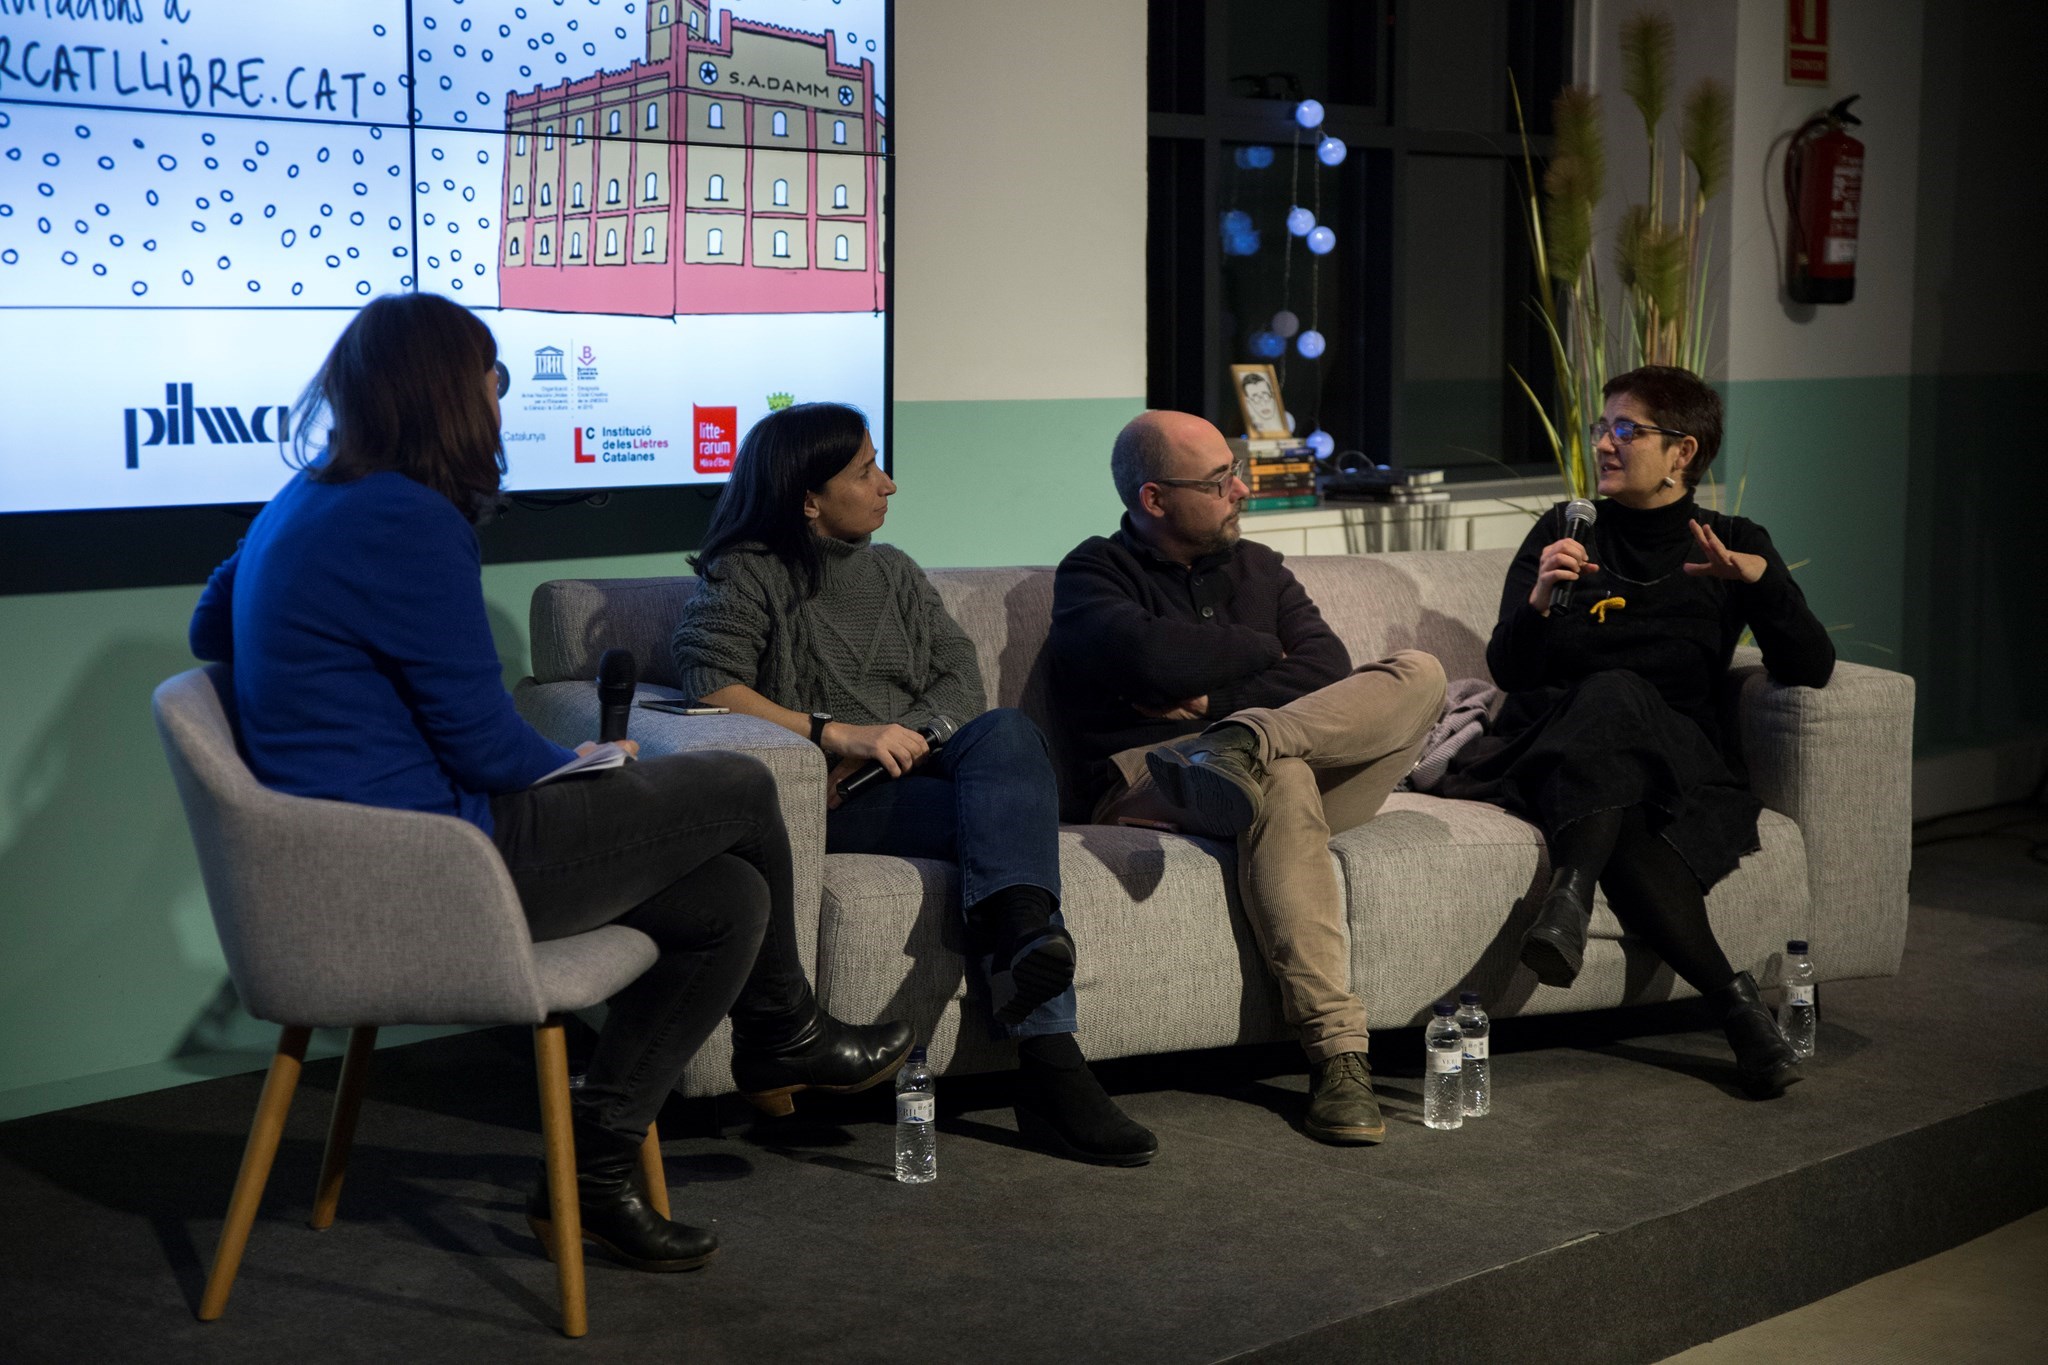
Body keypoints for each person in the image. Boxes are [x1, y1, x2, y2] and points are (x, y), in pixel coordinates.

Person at [188, 294, 911, 1275]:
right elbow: (486, 747)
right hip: (447, 868)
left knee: (727, 898)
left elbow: (206, 637)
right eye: (491, 373)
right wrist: (576, 766)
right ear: (448, 392)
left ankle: (593, 1174)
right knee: (741, 788)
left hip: (361, 859)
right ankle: (785, 1032)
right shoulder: (411, 518)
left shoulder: (302, 501)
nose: (500, 391)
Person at [668, 401, 1157, 1167]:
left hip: (921, 782)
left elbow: (959, 675)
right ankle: (1053, 1065)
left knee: (1007, 731)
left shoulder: (893, 569)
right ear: (808, 496)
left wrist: (912, 737)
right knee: (1008, 819)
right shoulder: (749, 572)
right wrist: (839, 734)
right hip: (832, 804)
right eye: (866, 471)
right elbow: (710, 685)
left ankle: (1027, 930)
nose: (889, 484)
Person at [1048, 410, 1446, 1145]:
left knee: (1419, 672)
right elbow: (1148, 658)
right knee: (1286, 775)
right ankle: (1337, 1057)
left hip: (1273, 756)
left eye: (1237, 472)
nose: (1241, 491)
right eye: (1218, 480)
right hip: (1151, 779)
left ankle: (1239, 742)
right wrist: (1263, 651)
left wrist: (1220, 706)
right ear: (1154, 498)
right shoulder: (1093, 572)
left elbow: (1326, 666)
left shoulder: (1261, 566)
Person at [1441, 365, 1833, 1099]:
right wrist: (1537, 600)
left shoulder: (1732, 541)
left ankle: (1571, 891)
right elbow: (1511, 670)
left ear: (1683, 451)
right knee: (1616, 767)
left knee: (1619, 718)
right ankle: (1740, 1012)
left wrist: (1759, 583)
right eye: (1603, 427)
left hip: (1678, 754)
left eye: (1627, 429)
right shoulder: (1565, 528)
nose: (1606, 443)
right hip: (1559, 742)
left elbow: (1809, 667)